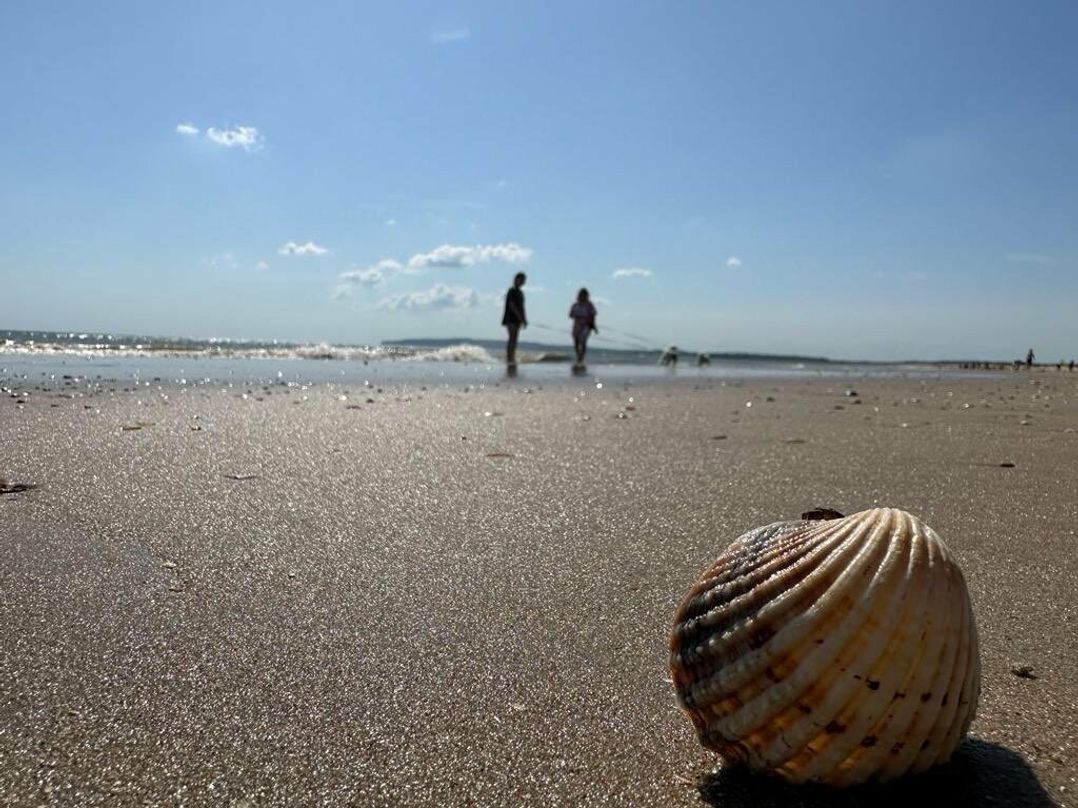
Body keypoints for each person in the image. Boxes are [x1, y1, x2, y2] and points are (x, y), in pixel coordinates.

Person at [502, 272, 527, 365]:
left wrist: (524, 319)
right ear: (516, 279)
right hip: (510, 318)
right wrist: (520, 317)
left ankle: (512, 357)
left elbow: (522, 307)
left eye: (524, 280)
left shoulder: (521, 293)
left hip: (518, 319)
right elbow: (512, 305)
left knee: (515, 338)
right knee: (512, 337)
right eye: (522, 280)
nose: (523, 282)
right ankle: (509, 358)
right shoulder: (512, 291)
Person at [568, 288, 597, 367]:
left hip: (586, 326)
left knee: (583, 341)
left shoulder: (589, 305)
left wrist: (594, 326)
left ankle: (581, 358)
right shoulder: (575, 305)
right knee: (576, 342)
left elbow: (593, 315)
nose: (582, 296)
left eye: (584, 295)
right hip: (576, 326)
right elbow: (570, 315)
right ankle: (578, 356)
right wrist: (576, 316)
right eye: (581, 295)